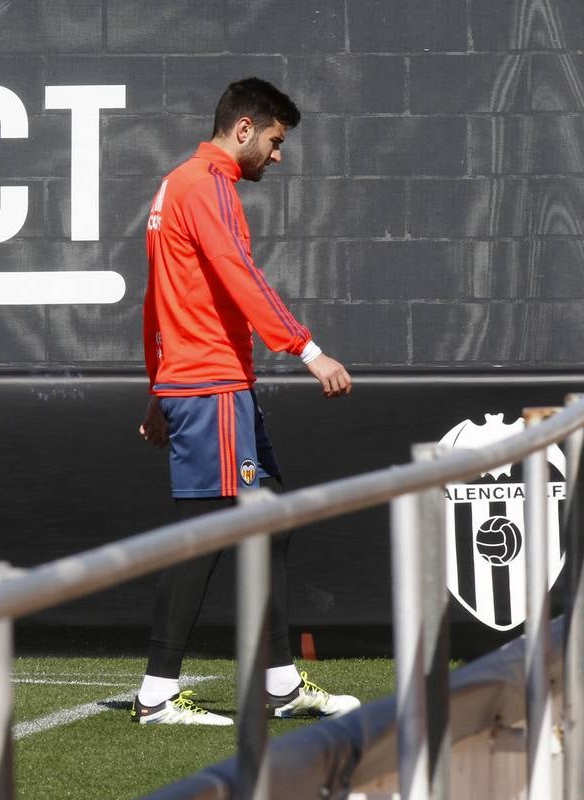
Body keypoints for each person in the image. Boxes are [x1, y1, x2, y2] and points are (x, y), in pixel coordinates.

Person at [132, 78, 359, 725]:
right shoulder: (209, 186)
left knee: (269, 521)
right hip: (211, 386)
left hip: (203, 382)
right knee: (206, 538)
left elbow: (157, 300)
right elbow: (240, 276)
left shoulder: (177, 185)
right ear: (243, 130)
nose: (278, 155)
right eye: (275, 141)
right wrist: (306, 348)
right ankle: (156, 695)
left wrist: (156, 386)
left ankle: (280, 683)